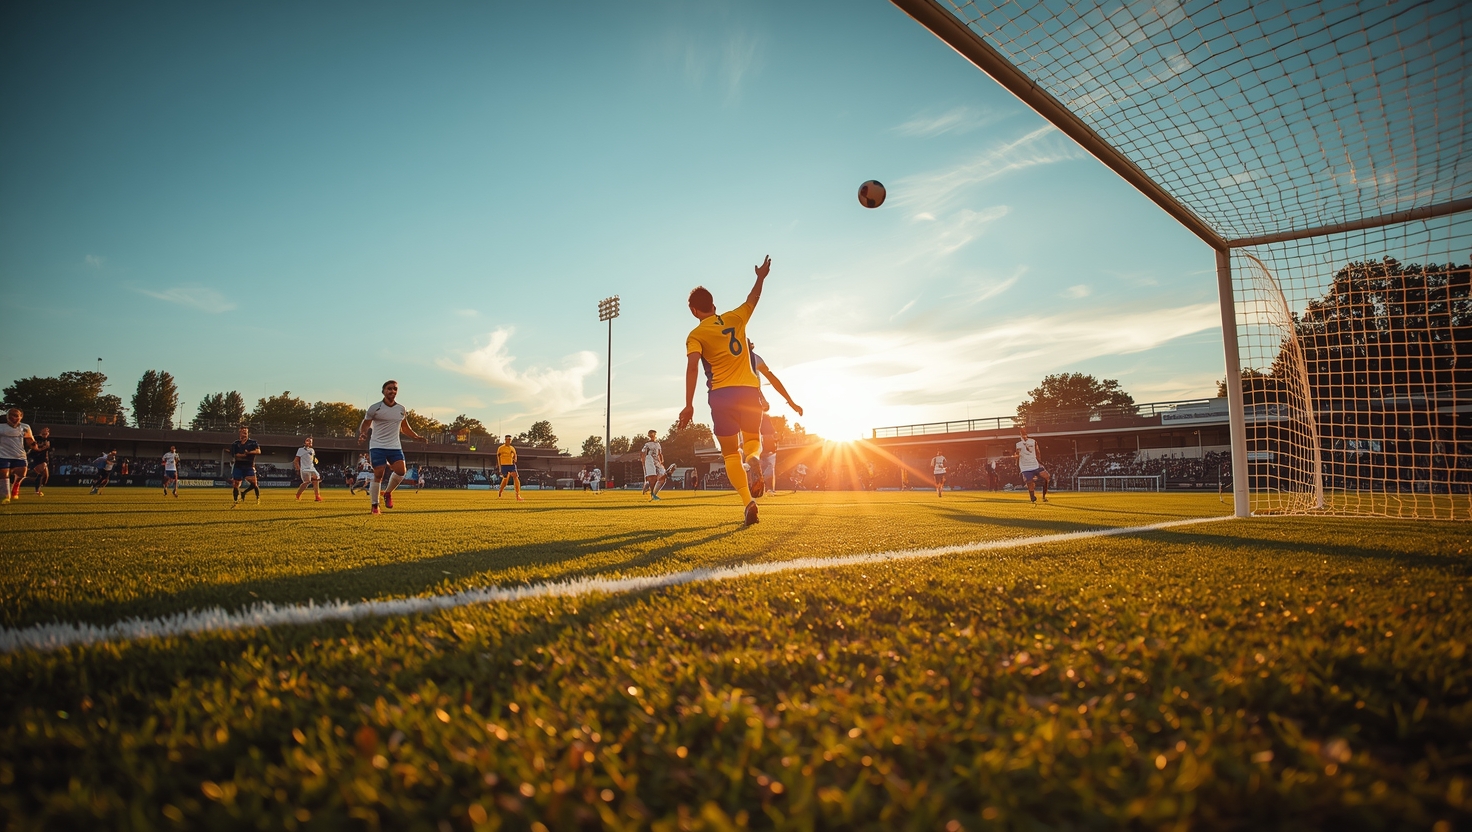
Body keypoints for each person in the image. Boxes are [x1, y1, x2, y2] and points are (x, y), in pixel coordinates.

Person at [678, 255, 772, 525]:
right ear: (714, 305)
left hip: (721, 395)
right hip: (749, 392)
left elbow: (693, 368)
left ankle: (748, 502)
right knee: (753, 443)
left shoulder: (695, 335)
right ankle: (754, 459)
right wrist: (760, 277)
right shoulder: (735, 317)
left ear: (694, 311)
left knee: (731, 453)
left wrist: (688, 404)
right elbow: (753, 299)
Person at [357, 380, 424, 514]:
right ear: (383, 391)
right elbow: (365, 424)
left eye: (395, 389)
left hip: (394, 446)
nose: (392, 391)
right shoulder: (375, 408)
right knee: (379, 474)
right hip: (377, 445)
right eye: (389, 389)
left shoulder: (401, 409)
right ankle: (375, 505)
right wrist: (363, 433)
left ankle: (387, 493)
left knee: (401, 471)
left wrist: (416, 437)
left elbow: (405, 428)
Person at [747, 340, 803, 495]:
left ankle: (749, 464)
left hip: (734, 402)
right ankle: (752, 461)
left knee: (736, 447)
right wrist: (790, 401)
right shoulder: (755, 358)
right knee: (750, 443)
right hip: (751, 402)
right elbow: (772, 379)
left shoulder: (733, 357)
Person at [0, 408, 35, 504]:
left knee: (22, 473)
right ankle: (5, 496)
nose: (13, 417)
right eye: (10, 415)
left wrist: (36, 447)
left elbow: (30, 440)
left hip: (19, 455)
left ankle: (16, 486)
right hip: (3, 455)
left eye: (16, 415)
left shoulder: (25, 427)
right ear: (7, 417)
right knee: (3, 474)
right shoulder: (1, 427)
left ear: (20, 417)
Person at [1016, 426, 1051, 504]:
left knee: (1046, 477)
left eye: (1025, 434)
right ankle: (1032, 497)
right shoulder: (1018, 444)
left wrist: (1039, 461)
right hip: (1025, 467)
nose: (1024, 436)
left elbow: (1037, 451)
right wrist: (1016, 456)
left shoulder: (1033, 441)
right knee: (1029, 482)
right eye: (1022, 434)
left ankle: (1044, 496)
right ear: (1020, 435)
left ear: (1027, 435)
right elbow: (1017, 453)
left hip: (1035, 464)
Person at [229, 426, 262, 506]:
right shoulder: (235, 444)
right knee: (236, 484)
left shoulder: (253, 442)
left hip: (249, 466)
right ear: (240, 433)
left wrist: (249, 453)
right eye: (243, 432)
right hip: (238, 466)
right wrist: (245, 455)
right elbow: (236, 455)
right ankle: (236, 500)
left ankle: (257, 499)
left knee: (254, 483)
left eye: (246, 432)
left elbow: (258, 451)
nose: (245, 434)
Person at [294, 437, 323, 502]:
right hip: (304, 469)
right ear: (304, 442)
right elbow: (296, 460)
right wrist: (298, 469)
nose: (309, 442)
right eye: (307, 441)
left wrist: (315, 460)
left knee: (316, 481)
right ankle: (298, 494)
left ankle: (317, 496)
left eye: (310, 441)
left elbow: (313, 458)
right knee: (307, 482)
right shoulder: (300, 450)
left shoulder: (312, 450)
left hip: (312, 468)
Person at [640, 429, 666, 501]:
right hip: (649, 459)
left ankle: (650, 488)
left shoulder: (658, 444)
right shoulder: (647, 444)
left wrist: (661, 462)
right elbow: (642, 453)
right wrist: (643, 462)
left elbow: (660, 454)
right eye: (650, 434)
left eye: (653, 434)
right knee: (652, 477)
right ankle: (652, 495)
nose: (652, 436)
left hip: (657, 460)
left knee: (663, 477)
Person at [496, 435, 524, 501]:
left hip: (511, 465)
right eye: (507, 439)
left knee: (516, 477)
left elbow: (515, 455)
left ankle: (518, 495)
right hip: (504, 465)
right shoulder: (501, 448)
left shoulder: (512, 448)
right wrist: (499, 467)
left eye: (509, 439)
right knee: (505, 480)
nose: (508, 441)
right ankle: (500, 492)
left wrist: (515, 458)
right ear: (505, 440)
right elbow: (498, 458)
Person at [25, 426, 51, 496]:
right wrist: (43, 447)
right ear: (41, 431)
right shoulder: (36, 438)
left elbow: (47, 450)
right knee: (40, 473)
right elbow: (34, 447)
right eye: (45, 430)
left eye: (47, 431)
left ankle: (23, 479)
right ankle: (37, 491)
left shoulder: (47, 440)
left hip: (44, 459)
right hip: (36, 458)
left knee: (45, 477)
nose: (46, 432)